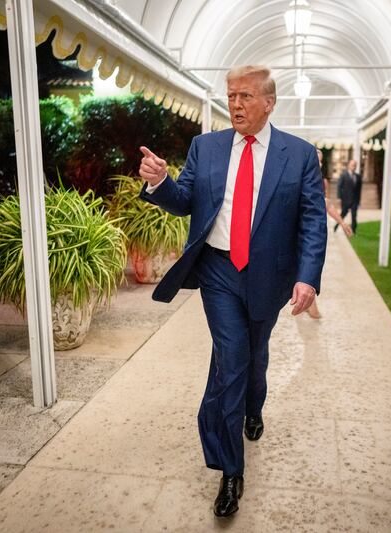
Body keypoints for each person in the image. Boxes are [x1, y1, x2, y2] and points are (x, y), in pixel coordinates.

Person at [138, 65, 327, 518]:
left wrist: (307, 276)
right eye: (231, 96)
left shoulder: (300, 155)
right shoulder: (206, 147)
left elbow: (312, 220)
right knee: (231, 358)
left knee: (255, 353)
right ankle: (230, 469)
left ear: (269, 102)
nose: (236, 105)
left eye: (245, 96)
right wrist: (160, 182)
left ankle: (253, 407)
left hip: (269, 276)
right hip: (219, 272)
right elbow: (185, 201)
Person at [307, 149, 350, 319]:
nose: (319, 164)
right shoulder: (298, 177)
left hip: (316, 230)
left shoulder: (322, 182)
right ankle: (309, 304)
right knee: (304, 266)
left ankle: (308, 302)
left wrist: (342, 222)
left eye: (321, 161)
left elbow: (327, 205)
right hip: (300, 230)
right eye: (316, 160)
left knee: (311, 264)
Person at [335, 159, 362, 234]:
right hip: (345, 199)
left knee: (354, 216)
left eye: (355, 165)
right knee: (343, 214)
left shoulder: (358, 177)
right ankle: (336, 227)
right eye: (352, 165)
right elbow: (339, 186)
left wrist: (358, 201)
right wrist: (339, 197)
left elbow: (359, 190)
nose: (354, 166)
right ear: (348, 166)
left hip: (354, 201)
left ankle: (353, 231)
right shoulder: (344, 175)